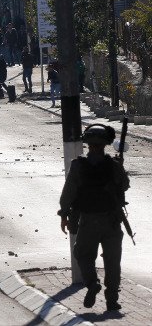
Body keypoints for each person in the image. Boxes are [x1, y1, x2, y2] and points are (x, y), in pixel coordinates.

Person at [58, 124, 130, 311]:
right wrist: (119, 167)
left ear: (87, 143)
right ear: (106, 143)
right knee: (113, 262)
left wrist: (64, 215)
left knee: (82, 254)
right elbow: (124, 186)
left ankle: (92, 283)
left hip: (88, 221)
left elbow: (68, 194)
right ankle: (112, 300)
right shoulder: (113, 166)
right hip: (112, 221)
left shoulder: (78, 165)